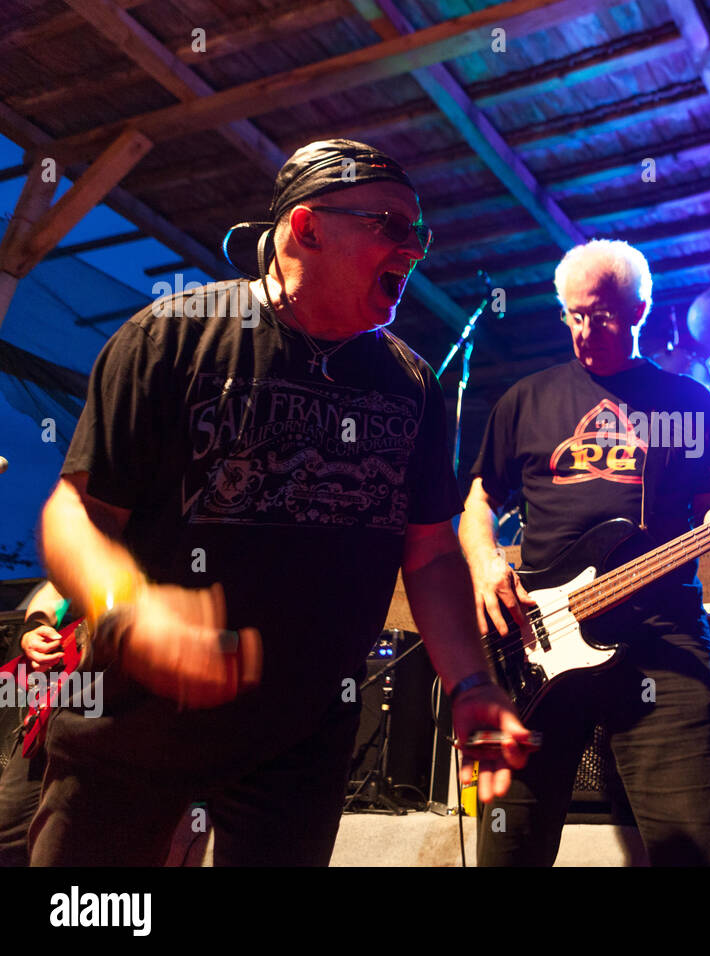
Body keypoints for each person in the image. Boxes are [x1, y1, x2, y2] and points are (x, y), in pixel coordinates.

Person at [30, 139, 530, 866]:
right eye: (391, 225)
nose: (414, 252)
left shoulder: (411, 384)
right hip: (134, 729)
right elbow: (75, 512)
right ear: (307, 228)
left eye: (418, 233)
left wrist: (472, 681)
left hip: (300, 742)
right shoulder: (171, 336)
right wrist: (128, 608)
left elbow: (428, 549)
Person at [461, 239, 710, 866]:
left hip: (664, 638)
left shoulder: (688, 399)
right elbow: (477, 499)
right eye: (573, 314)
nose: (584, 330)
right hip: (539, 640)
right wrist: (486, 559)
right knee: (508, 846)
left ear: (639, 310)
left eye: (600, 314)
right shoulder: (524, 399)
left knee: (698, 845)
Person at [0, 581, 72, 866]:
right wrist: (33, 628)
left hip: (136, 702)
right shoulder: (101, 538)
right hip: (66, 692)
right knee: (9, 829)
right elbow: (56, 589)